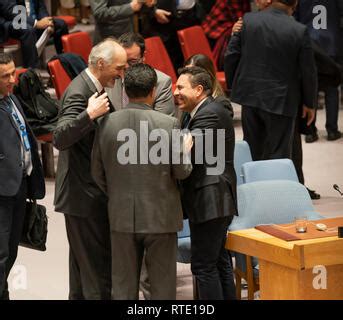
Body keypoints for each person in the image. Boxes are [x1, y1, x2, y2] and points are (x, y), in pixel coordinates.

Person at [91, 63, 192, 299]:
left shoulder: (106, 123)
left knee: (123, 288)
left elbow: (97, 172)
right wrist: (185, 151)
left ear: (125, 90)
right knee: (162, 288)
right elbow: (182, 172)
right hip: (161, 217)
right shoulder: (169, 124)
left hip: (121, 214)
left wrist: (117, 192)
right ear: (154, 91)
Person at [53, 39, 127, 299]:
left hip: (85, 194)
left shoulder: (93, 87)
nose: (122, 74)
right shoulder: (78, 91)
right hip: (82, 196)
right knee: (97, 273)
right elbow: (60, 137)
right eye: (119, 68)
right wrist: (88, 116)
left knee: (82, 271)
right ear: (100, 64)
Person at [225, 0, 317, 161]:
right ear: (294, 6)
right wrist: (309, 103)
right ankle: (275, 185)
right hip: (281, 100)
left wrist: (235, 86)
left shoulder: (248, 20)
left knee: (252, 150)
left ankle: (253, 184)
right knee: (279, 154)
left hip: (250, 95)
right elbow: (308, 71)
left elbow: (231, 54)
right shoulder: (299, 30)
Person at [175, 66, 237, 300]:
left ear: (199, 90)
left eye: (181, 87)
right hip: (216, 199)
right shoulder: (202, 111)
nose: (175, 91)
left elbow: (185, 154)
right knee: (218, 261)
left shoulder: (208, 114)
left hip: (211, 200)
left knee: (203, 266)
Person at [0, 52, 45, 300]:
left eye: (13, 73)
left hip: (19, 187)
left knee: (11, 250)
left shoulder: (12, 100)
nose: (12, 79)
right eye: (5, 76)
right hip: (1, 191)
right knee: (1, 254)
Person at [295, 0, 343, 142]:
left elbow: (295, 18)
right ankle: (332, 130)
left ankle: (310, 132)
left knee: (310, 88)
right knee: (332, 88)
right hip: (332, 44)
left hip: (309, 43)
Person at [107, 32, 175, 115]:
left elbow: (162, 123)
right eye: (123, 60)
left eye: (132, 61)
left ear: (143, 57)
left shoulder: (161, 82)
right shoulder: (109, 78)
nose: (126, 66)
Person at [184, 53, 234, 118]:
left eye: (193, 73)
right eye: (186, 72)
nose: (187, 77)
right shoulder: (188, 99)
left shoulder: (221, 104)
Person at [89, 0, 155, 44]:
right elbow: (99, 13)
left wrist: (147, 4)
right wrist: (129, 7)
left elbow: (132, 4)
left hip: (129, 35)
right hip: (109, 40)